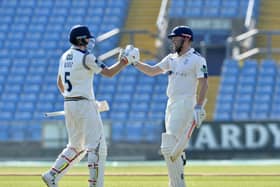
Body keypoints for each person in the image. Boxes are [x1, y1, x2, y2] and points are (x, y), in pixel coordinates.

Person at [41, 25, 131, 187]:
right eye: (87, 38)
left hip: (69, 103)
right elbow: (109, 73)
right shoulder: (86, 57)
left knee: (75, 146)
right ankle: (95, 184)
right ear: (81, 39)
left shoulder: (64, 56)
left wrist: (73, 98)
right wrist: (123, 62)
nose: (90, 40)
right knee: (96, 147)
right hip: (83, 104)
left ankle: (52, 174)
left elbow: (60, 83)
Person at [130, 25, 208, 187]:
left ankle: (178, 183)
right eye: (172, 39)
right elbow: (152, 71)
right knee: (172, 148)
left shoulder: (197, 59)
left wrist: (199, 106)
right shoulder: (171, 58)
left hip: (186, 102)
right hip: (171, 103)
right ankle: (178, 169)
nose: (173, 41)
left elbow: (204, 83)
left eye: (176, 38)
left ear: (186, 39)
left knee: (168, 147)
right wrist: (135, 63)